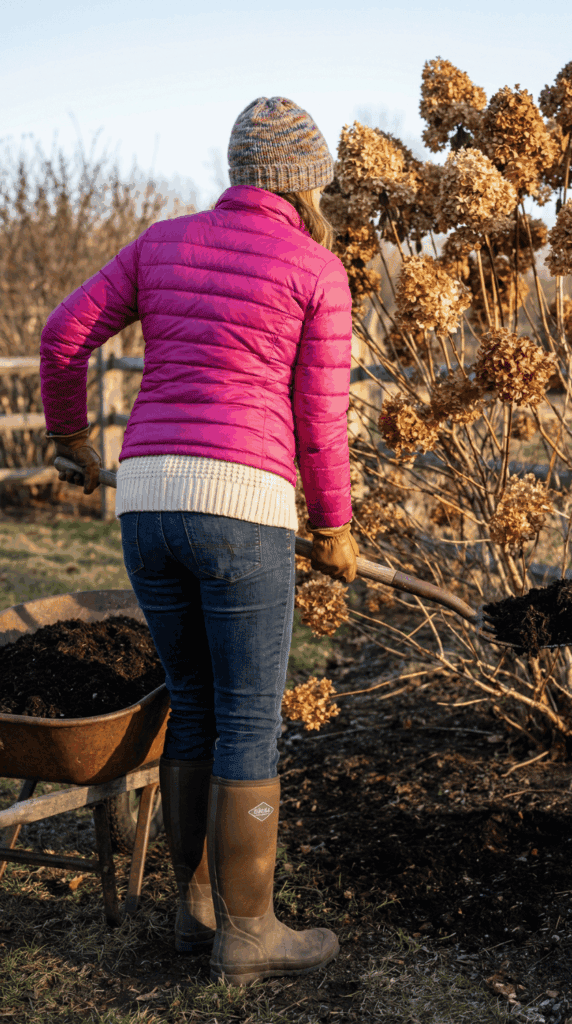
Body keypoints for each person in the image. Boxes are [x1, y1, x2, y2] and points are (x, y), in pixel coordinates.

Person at [39, 96, 359, 986]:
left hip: (146, 498)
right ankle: (251, 934)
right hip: (242, 502)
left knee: (191, 701)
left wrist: (71, 439)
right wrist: (333, 525)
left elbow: (64, 332)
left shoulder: (163, 242)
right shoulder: (314, 268)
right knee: (250, 720)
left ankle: (196, 912)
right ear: (306, 185)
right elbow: (319, 424)